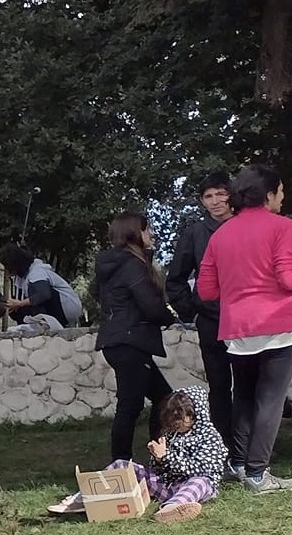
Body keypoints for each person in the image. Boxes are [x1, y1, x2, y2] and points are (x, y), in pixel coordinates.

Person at [199, 162, 292, 492]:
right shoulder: (283, 227)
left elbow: (206, 291)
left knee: (244, 397)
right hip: (277, 325)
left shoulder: (221, 234)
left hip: (237, 329)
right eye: (280, 192)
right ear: (268, 195)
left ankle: (238, 463)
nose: (282, 197)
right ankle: (257, 473)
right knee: (270, 400)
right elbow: (286, 276)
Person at [50, 386, 225, 523]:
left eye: (181, 417)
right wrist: (157, 458)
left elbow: (200, 470)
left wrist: (166, 457)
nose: (176, 422)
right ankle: (84, 498)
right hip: (166, 484)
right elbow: (159, 469)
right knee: (122, 464)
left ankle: (171, 509)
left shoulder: (210, 437)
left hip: (193, 487)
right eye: (173, 417)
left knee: (201, 481)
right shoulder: (171, 433)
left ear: (195, 414)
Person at [92, 212, 177, 461]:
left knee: (162, 399)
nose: (150, 234)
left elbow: (98, 293)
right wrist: (169, 316)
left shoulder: (111, 265)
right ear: (135, 233)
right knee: (132, 405)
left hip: (118, 340)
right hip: (130, 341)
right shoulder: (132, 264)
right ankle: (122, 463)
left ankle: (157, 454)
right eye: (147, 229)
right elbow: (149, 305)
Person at [166, 172, 236, 466]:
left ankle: (254, 445)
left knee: (251, 385)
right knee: (219, 385)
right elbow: (176, 279)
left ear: (232, 195)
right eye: (209, 196)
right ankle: (224, 445)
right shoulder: (194, 233)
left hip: (249, 319)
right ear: (201, 202)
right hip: (211, 320)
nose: (216, 201)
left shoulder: (246, 225)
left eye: (221, 193)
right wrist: (192, 311)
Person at [0, 244, 86, 329]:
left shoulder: (37, 272)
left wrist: (20, 303)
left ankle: (42, 323)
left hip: (67, 305)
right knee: (20, 309)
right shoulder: (21, 278)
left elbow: (43, 295)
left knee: (34, 293)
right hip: (56, 306)